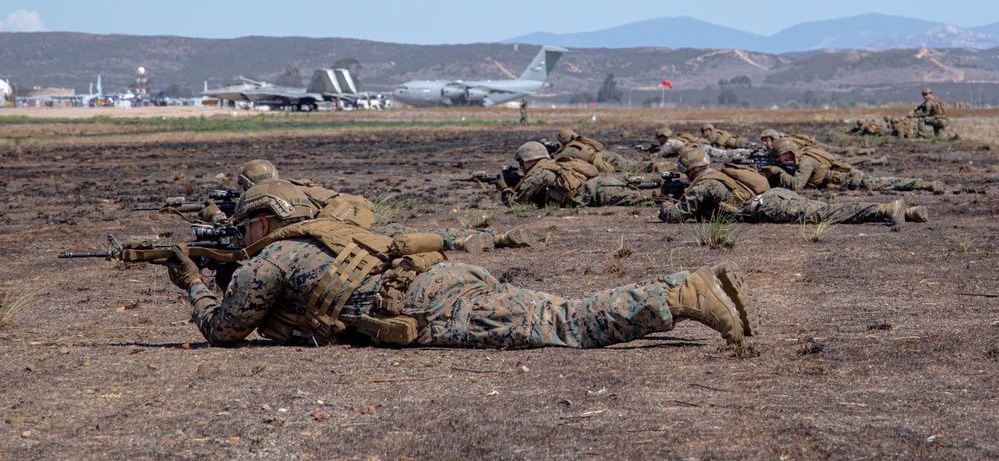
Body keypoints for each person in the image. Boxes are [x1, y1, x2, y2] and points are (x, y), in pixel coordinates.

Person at [165, 179, 760, 348]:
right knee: (557, 311)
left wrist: (193, 285)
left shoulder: (268, 259)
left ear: (264, 223)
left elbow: (223, 331)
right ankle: (687, 289)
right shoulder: (326, 232)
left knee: (567, 324)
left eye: (247, 227)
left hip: (426, 303)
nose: (244, 237)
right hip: (439, 281)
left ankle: (681, 293)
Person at [229, 160, 527, 254]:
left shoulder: (262, 201)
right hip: (361, 218)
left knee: (402, 243)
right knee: (414, 231)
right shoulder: (298, 184)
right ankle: (488, 238)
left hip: (341, 234)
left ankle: (468, 241)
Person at [658, 147, 927, 226]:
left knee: (826, 214)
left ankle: (884, 209)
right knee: (824, 208)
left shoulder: (703, 185)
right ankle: (909, 211)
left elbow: (677, 215)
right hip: (775, 196)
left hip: (769, 205)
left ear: (690, 171)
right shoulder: (719, 173)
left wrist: (664, 202)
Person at [497, 141, 656, 208]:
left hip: (597, 192)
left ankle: (667, 199)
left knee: (645, 202)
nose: (520, 167)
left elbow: (516, 204)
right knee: (637, 197)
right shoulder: (550, 166)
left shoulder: (541, 174)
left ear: (530, 160)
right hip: (599, 185)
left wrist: (503, 188)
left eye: (521, 162)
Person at [765, 138, 944, 194]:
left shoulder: (806, 161)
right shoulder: (799, 156)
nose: (778, 161)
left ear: (787, 154)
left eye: (779, 158)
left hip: (849, 178)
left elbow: (796, 185)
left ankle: (923, 184)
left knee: (881, 183)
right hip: (838, 181)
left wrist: (779, 172)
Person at [552, 129, 633, 173]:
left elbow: (555, 160)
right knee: (629, 164)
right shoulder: (579, 141)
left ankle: (645, 166)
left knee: (630, 167)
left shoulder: (569, 149)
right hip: (606, 154)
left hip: (603, 161)